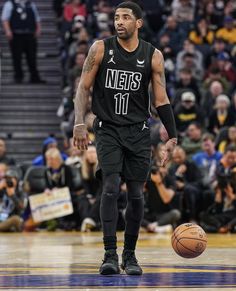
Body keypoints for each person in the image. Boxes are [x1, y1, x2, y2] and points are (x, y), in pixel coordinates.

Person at [73, 1, 177, 276]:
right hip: (107, 129)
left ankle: (130, 255)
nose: (119, 22)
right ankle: (109, 253)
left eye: (126, 17)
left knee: (135, 194)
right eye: (116, 17)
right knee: (109, 186)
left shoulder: (153, 55)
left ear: (138, 23)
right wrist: (79, 122)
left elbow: (161, 99)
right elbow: (83, 89)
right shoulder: (100, 48)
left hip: (138, 132)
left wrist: (172, 135)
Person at [1, 0, 45, 83]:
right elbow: (5, 19)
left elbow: (37, 18)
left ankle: (34, 77)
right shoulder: (10, 4)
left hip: (30, 34)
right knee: (17, 57)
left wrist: (38, 29)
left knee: (32, 57)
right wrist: (8, 31)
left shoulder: (30, 4)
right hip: (16, 34)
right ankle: (18, 76)